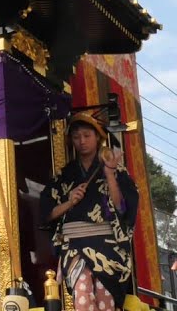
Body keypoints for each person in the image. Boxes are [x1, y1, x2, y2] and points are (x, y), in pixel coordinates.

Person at [41, 111, 140, 311]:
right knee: (82, 294)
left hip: (107, 245)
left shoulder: (117, 170)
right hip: (74, 245)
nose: (82, 141)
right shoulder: (63, 175)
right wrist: (69, 202)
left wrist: (110, 175)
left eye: (87, 136)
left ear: (98, 138)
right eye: (77, 137)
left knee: (105, 300)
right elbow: (47, 214)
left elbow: (123, 208)